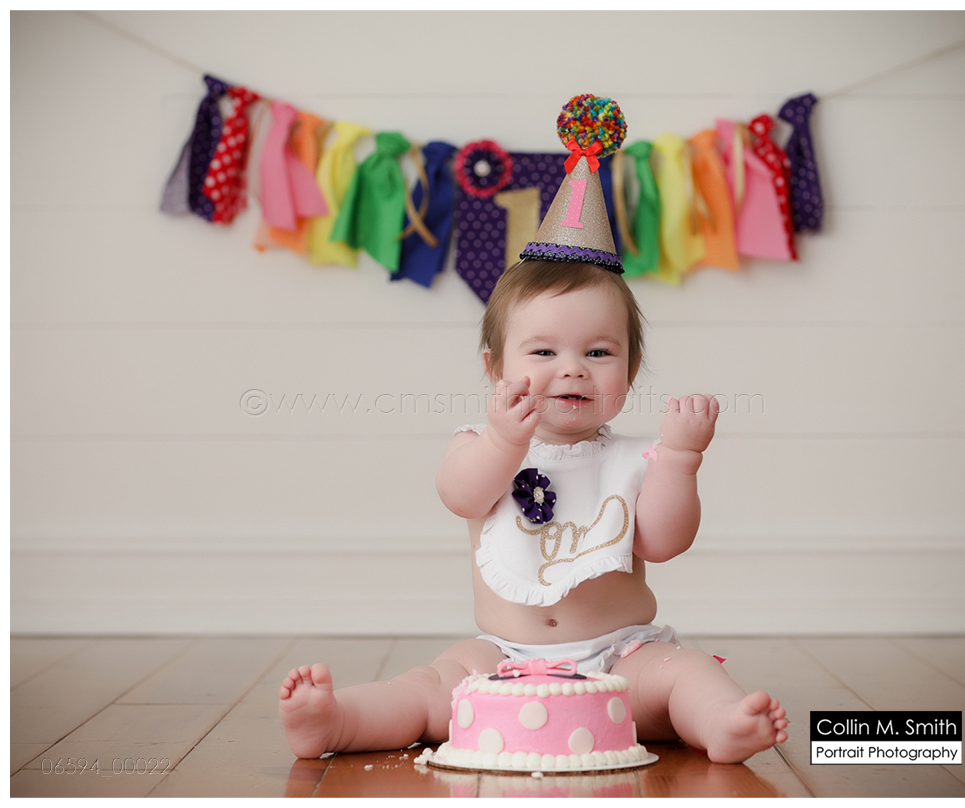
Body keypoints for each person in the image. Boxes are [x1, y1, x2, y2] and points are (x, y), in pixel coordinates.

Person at [278, 95, 787, 765]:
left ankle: (722, 723)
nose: (571, 369)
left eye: (598, 352)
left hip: (620, 658)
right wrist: (503, 443)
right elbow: (461, 495)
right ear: (495, 369)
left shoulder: (640, 458)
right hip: (503, 655)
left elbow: (663, 542)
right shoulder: (480, 445)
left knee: (682, 673)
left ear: (630, 373)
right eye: (543, 351)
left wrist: (683, 458)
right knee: (434, 685)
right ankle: (338, 721)